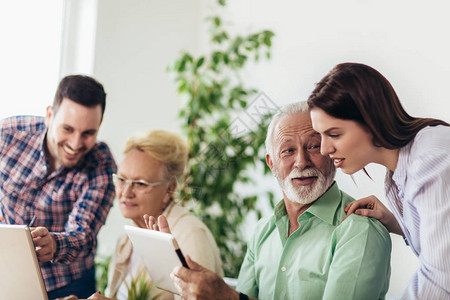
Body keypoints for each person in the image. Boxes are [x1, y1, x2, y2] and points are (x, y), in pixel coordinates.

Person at [146, 102, 392, 300]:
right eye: (288, 150)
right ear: (271, 163)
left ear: (330, 151)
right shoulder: (263, 232)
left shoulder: (360, 230)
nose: (301, 162)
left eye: (314, 146)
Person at [307, 62, 450, 299]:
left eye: (334, 134)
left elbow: (441, 278)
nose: (324, 149)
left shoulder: (430, 160)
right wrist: (398, 223)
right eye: (320, 136)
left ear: (371, 121)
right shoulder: (397, 176)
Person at [0, 75, 117, 298]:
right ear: (49, 115)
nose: (75, 144)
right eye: (67, 129)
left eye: (88, 133)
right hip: (8, 272)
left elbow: (84, 234)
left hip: (69, 283)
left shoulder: (101, 163)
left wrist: (53, 243)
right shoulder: (7, 134)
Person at [103, 130, 223, 300]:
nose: (126, 192)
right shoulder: (126, 239)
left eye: (140, 184)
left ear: (170, 189)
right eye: (121, 180)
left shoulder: (190, 234)